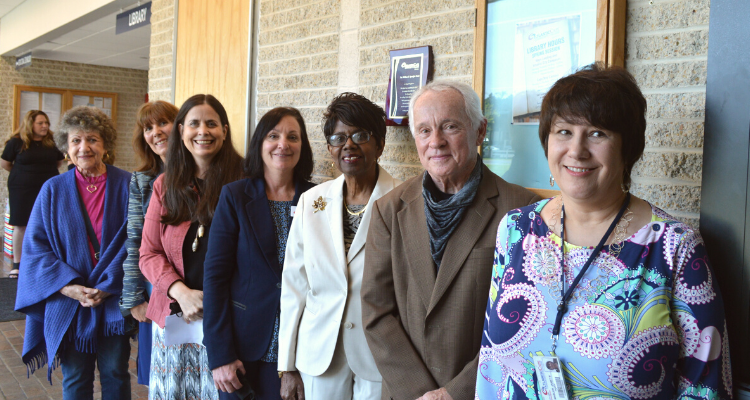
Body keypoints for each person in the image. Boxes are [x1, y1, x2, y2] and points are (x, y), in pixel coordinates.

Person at [474, 64, 732, 399]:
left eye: (598, 133)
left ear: (628, 148)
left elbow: (704, 385)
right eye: (564, 131)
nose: (577, 150)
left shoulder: (673, 247)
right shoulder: (515, 230)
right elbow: (492, 364)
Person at [361, 80, 540, 400]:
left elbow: (526, 321)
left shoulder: (523, 211)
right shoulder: (389, 210)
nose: (436, 142)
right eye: (424, 130)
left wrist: (454, 393)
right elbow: (376, 312)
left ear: (480, 131)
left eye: (450, 126)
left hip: (483, 391)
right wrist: (420, 392)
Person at [278, 93, 401, 400]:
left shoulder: (404, 201)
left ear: (380, 144)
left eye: (360, 135)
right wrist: (287, 365)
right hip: (319, 353)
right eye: (339, 137)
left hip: (379, 353)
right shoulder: (311, 202)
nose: (349, 145)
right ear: (331, 148)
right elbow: (294, 285)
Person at [15, 106, 131, 399]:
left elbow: (138, 241)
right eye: (76, 140)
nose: (84, 147)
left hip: (113, 299)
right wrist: (69, 288)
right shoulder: (52, 189)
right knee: (76, 378)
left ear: (105, 145)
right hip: (69, 302)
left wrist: (107, 286)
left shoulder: (128, 185)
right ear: (66, 148)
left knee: (116, 373)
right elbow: (35, 248)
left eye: (92, 139)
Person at [203, 107, 315, 400]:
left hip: (300, 347)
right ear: (259, 144)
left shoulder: (318, 199)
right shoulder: (235, 196)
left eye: (293, 137)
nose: (283, 144)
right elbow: (214, 278)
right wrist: (220, 355)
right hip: (243, 346)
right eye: (273, 135)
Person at [140, 94, 244, 399]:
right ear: (181, 130)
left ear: (224, 130)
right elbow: (148, 253)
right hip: (176, 319)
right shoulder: (165, 185)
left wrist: (210, 302)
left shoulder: (245, 181)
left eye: (212, 124)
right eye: (194, 124)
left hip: (228, 320)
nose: (203, 131)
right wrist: (181, 293)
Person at [120, 100, 179, 386]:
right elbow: (134, 241)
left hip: (192, 289)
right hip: (152, 288)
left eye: (162, 123)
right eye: (147, 127)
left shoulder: (204, 172)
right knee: (160, 378)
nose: (155, 132)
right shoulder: (142, 180)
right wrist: (133, 298)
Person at [1, 110, 64, 278]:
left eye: (47, 123)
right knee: (21, 224)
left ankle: (46, 262)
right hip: (21, 188)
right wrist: (23, 173)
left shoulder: (52, 141)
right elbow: (5, 163)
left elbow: (59, 162)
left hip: (47, 187)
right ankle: (17, 265)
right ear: (31, 124)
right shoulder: (17, 142)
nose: (45, 126)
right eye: (40, 123)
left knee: (48, 224)